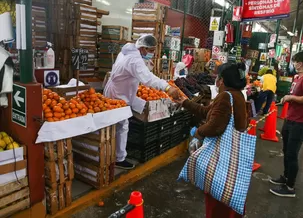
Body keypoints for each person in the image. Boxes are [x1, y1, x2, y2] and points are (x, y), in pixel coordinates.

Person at [176, 62, 248, 218]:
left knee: (218, 197)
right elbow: (207, 112)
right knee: (229, 194)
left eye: (217, 77)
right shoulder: (236, 95)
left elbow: (216, 125)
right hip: (233, 153)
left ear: (221, 80)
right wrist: (185, 103)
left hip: (223, 154)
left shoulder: (225, 96)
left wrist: (199, 133)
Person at [103, 35, 180, 170]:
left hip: (120, 91)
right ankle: (118, 158)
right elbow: (148, 79)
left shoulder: (127, 52)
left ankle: (112, 154)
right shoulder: (134, 60)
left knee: (118, 124)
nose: (152, 53)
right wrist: (167, 87)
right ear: (143, 48)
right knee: (122, 125)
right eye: (151, 50)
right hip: (118, 95)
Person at [269, 51, 303, 197]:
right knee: (286, 150)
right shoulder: (298, 77)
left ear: (301, 62)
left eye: (295, 61)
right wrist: (289, 98)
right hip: (290, 119)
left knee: (292, 153)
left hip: (300, 122)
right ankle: (285, 177)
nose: (293, 63)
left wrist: (291, 97)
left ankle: (290, 187)